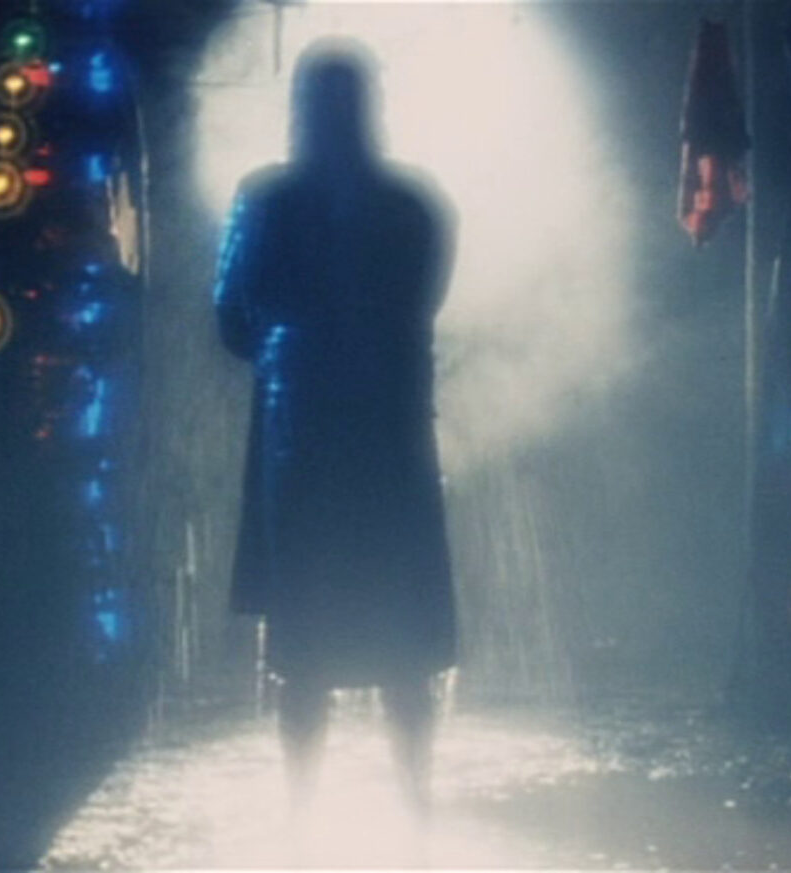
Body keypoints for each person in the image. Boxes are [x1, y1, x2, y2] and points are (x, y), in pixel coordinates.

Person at [212, 39, 457, 819]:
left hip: (302, 440)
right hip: (389, 438)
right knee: (403, 643)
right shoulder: (413, 203)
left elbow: (231, 319)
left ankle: (301, 820)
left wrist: (292, 343)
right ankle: (417, 813)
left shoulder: (265, 201)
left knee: (304, 650)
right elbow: (425, 302)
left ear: (300, 111)